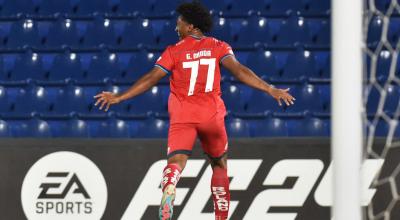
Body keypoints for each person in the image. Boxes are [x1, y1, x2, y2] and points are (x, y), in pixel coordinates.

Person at [94, 1, 295, 219]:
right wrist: (269, 88)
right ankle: (221, 216)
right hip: (211, 115)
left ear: (190, 26)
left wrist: (120, 96)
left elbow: (152, 78)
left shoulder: (173, 51)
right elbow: (239, 71)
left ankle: (170, 185)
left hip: (183, 115)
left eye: (179, 23)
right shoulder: (219, 46)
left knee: (176, 162)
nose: (176, 27)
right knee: (219, 164)